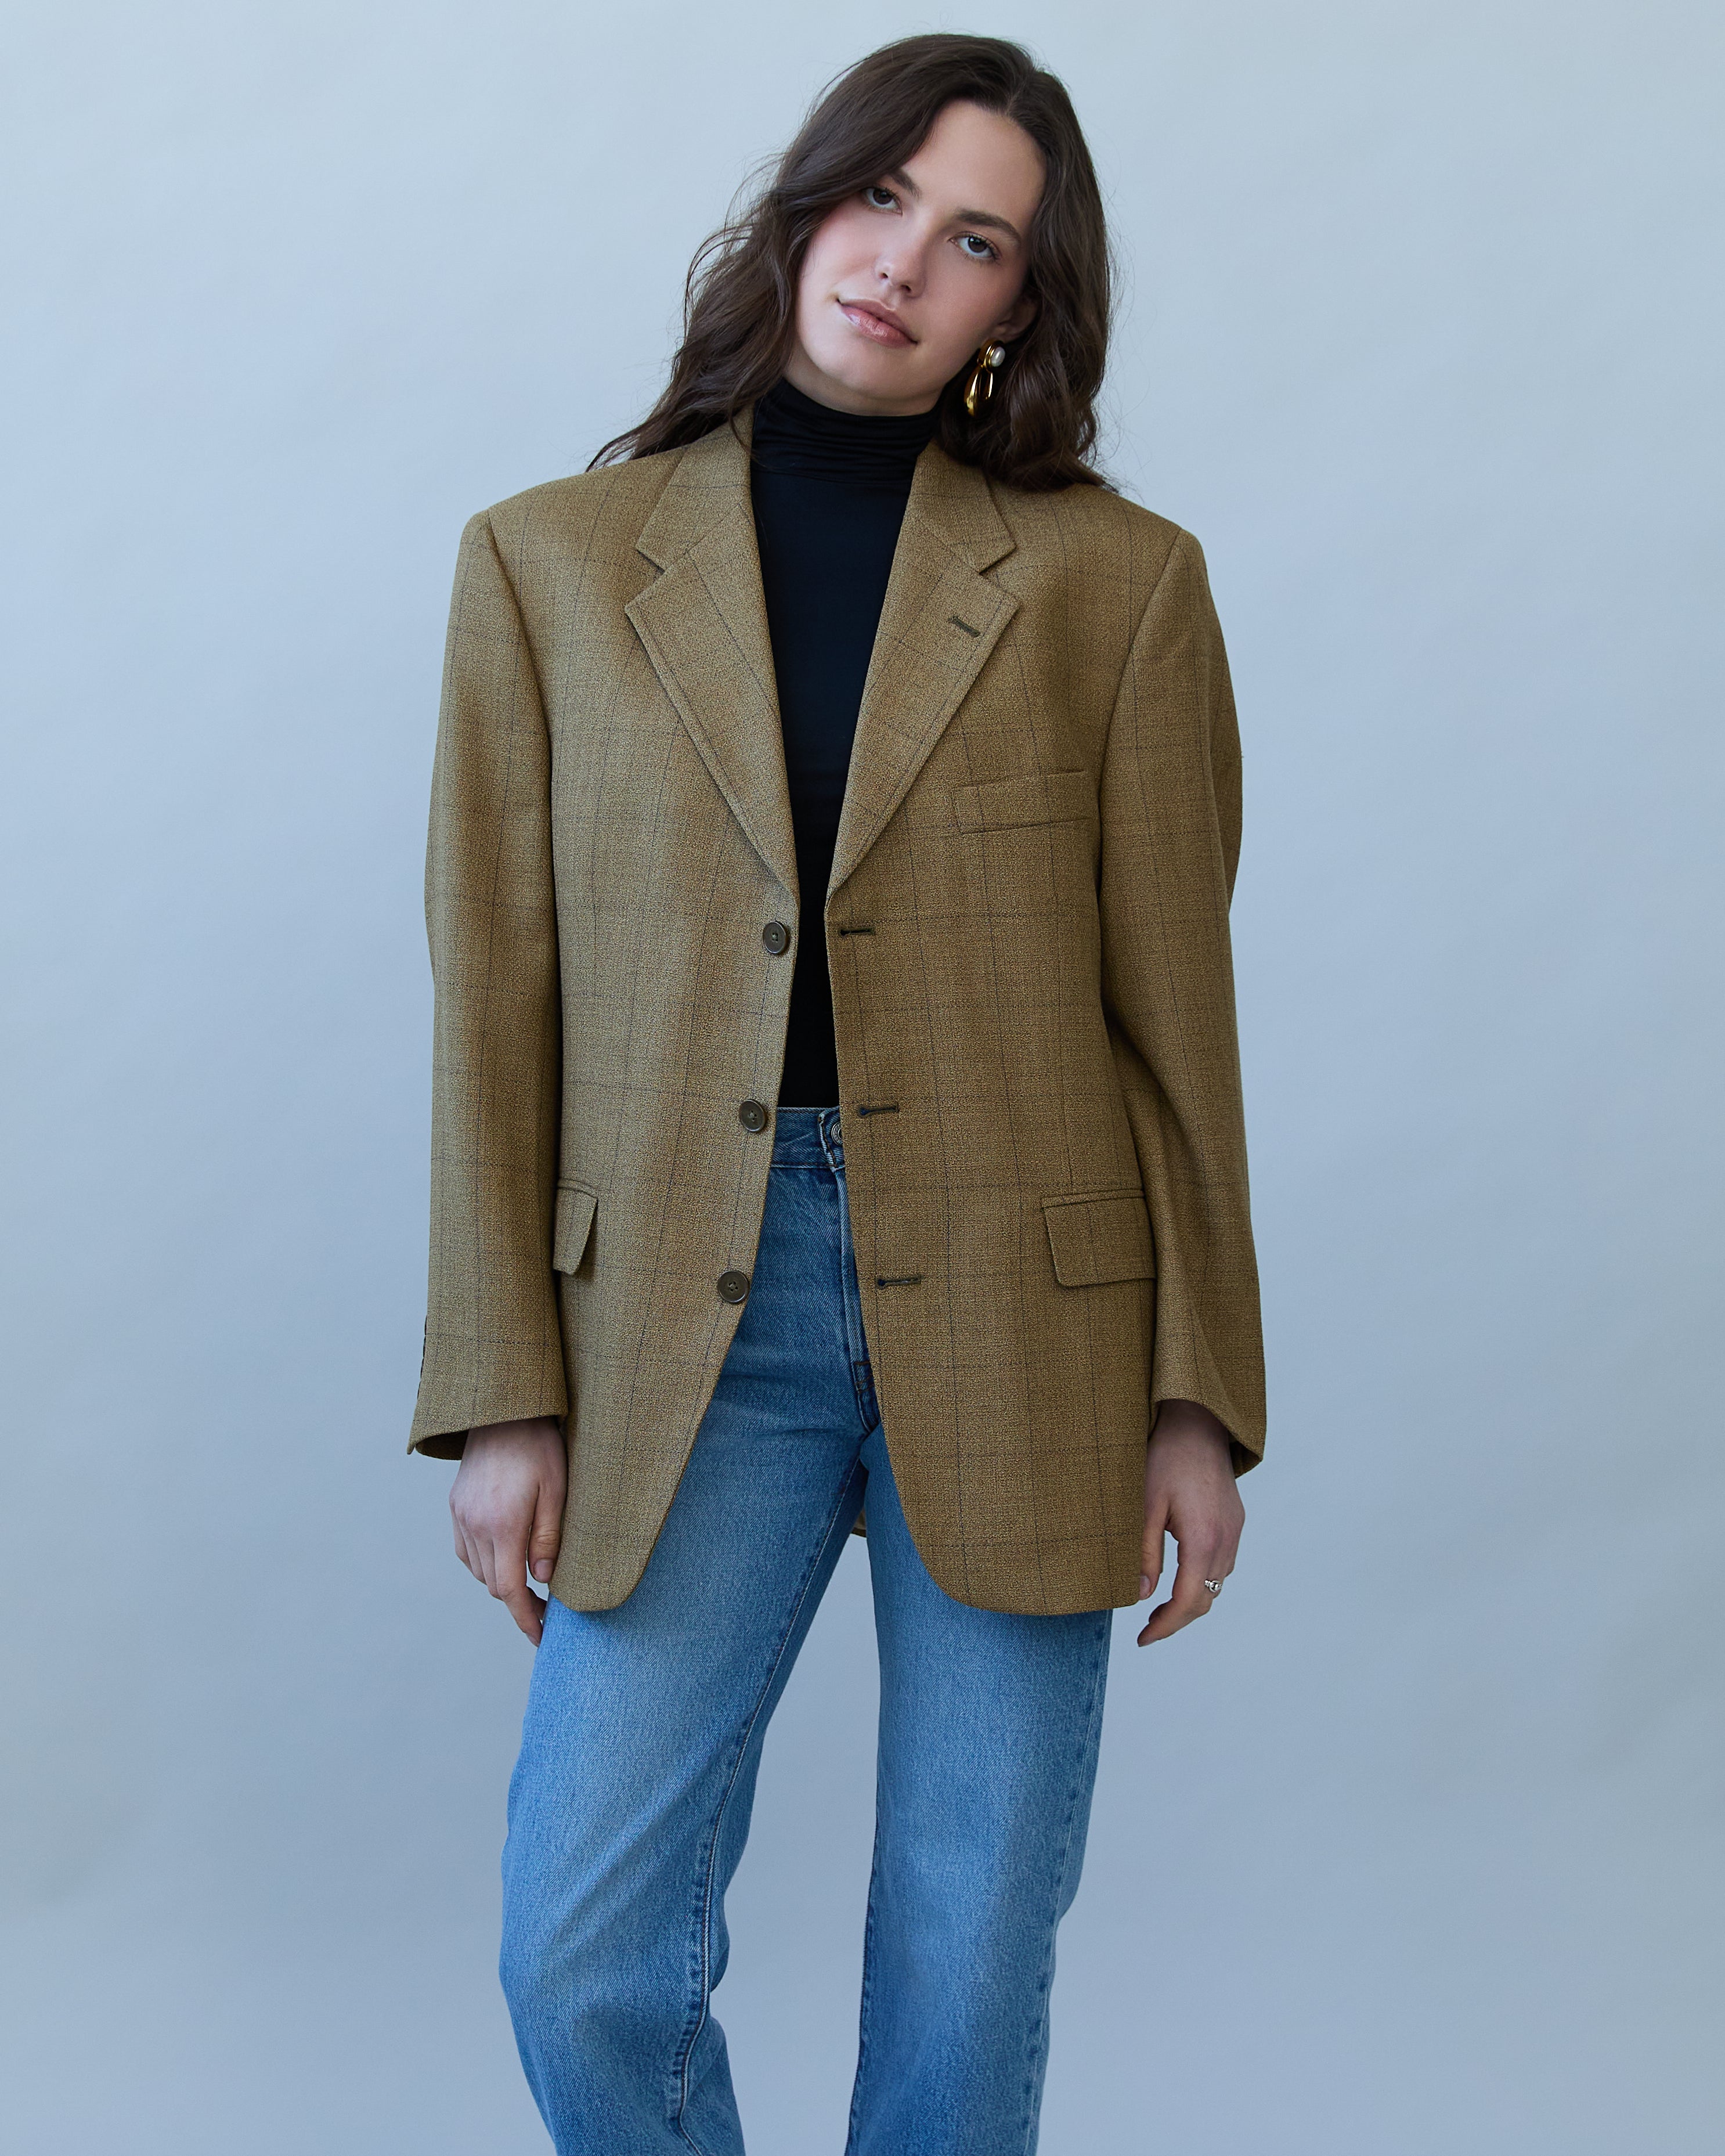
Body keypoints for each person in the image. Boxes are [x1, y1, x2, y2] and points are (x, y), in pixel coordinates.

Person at [409, 32, 1265, 2155]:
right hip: (677, 1318)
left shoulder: (1117, 584)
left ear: (1019, 307)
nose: (903, 262)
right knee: (582, 1952)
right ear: (804, 212)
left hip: (1031, 1312)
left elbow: (1175, 1018)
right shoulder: (544, 564)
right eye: (882, 199)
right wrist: (501, 1389)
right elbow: (492, 1003)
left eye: (975, 240)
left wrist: (1196, 1392)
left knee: (968, 1957)